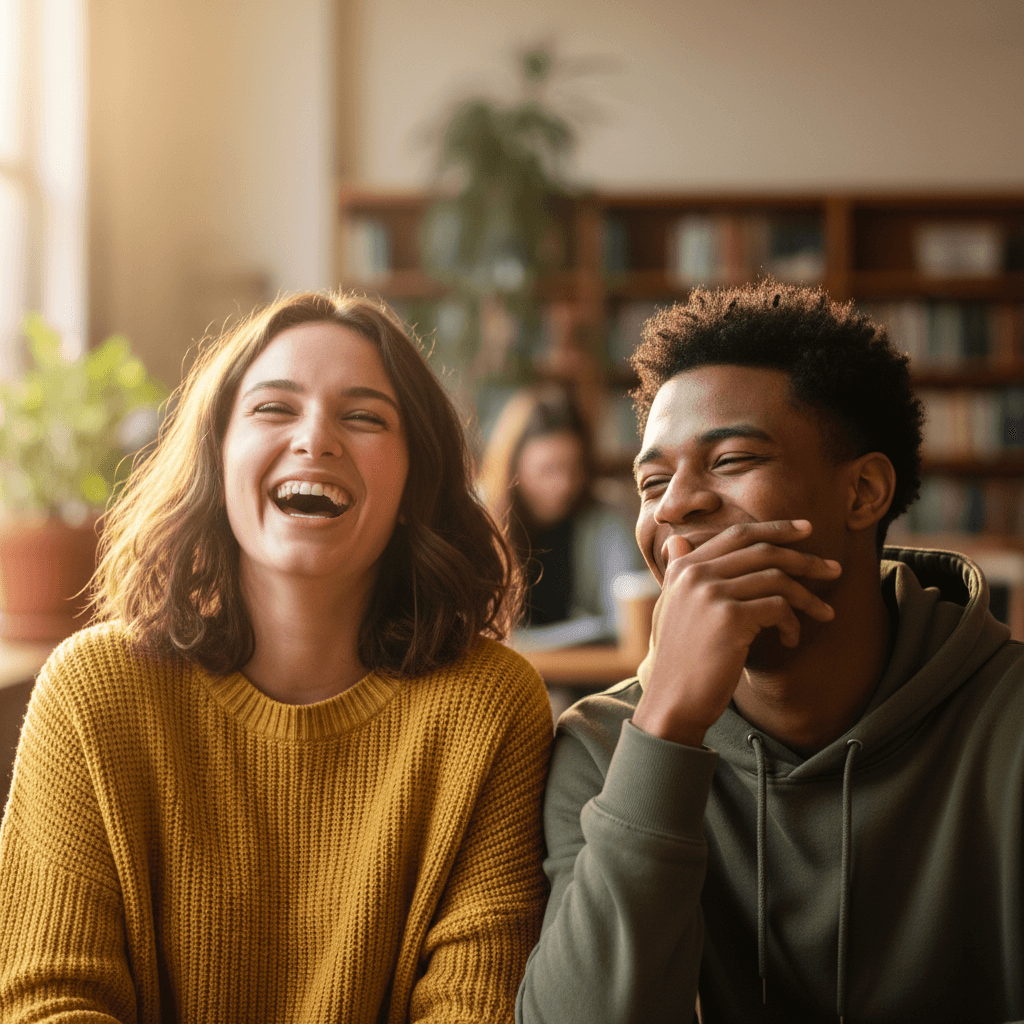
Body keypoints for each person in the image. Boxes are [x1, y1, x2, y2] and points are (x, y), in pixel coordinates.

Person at [0, 292, 553, 1022]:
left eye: (363, 417)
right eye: (273, 409)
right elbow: (50, 1002)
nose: (316, 439)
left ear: (415, 478)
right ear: (217, 456)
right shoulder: (91, 692)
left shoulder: (490, 704)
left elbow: (471, 1009)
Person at [517, 279, 1024, 1023]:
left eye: (728, 462)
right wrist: (665, 730)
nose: (676, 503)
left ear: (863, 493)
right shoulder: (600, 751)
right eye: (652, 480)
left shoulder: (1007, 723)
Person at [478, 386, 645, 650]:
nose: (564, 484)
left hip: (584, 675)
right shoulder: (479, 522)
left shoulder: (606, 521)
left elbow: (623, 623)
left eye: (573, 468)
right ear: (513, 468)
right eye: (548, 470)